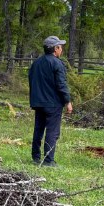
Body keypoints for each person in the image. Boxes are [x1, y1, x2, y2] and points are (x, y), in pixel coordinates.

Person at [28, 36, 73, 166]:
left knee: (38, 130)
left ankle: (36, 157)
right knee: (52, 131)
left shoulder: (36, 63)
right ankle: (48, 160)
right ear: (55, 49)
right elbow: (61, 84)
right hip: (52, 103)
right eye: (60, 47)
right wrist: (67, 101)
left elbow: (31, 80)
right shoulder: (57, 63)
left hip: (38, 102)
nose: (62, 49)